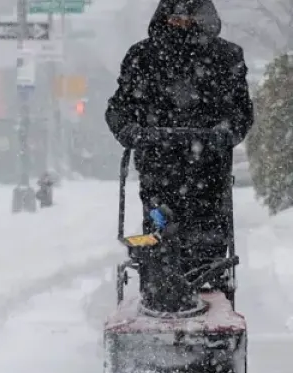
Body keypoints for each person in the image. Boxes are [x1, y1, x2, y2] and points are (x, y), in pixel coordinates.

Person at [105, 0, 254, 312]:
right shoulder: (142, 57)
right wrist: (130, 131)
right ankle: (159, 284)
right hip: (159, 167)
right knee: (161, 227)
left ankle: (207, 280)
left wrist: (224, 133)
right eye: (175, 16)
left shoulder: (226, 57)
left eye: (188, 16)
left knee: (208, 234)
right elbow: (119, 108)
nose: (181, 22)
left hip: (208, 168)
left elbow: (241, 111)